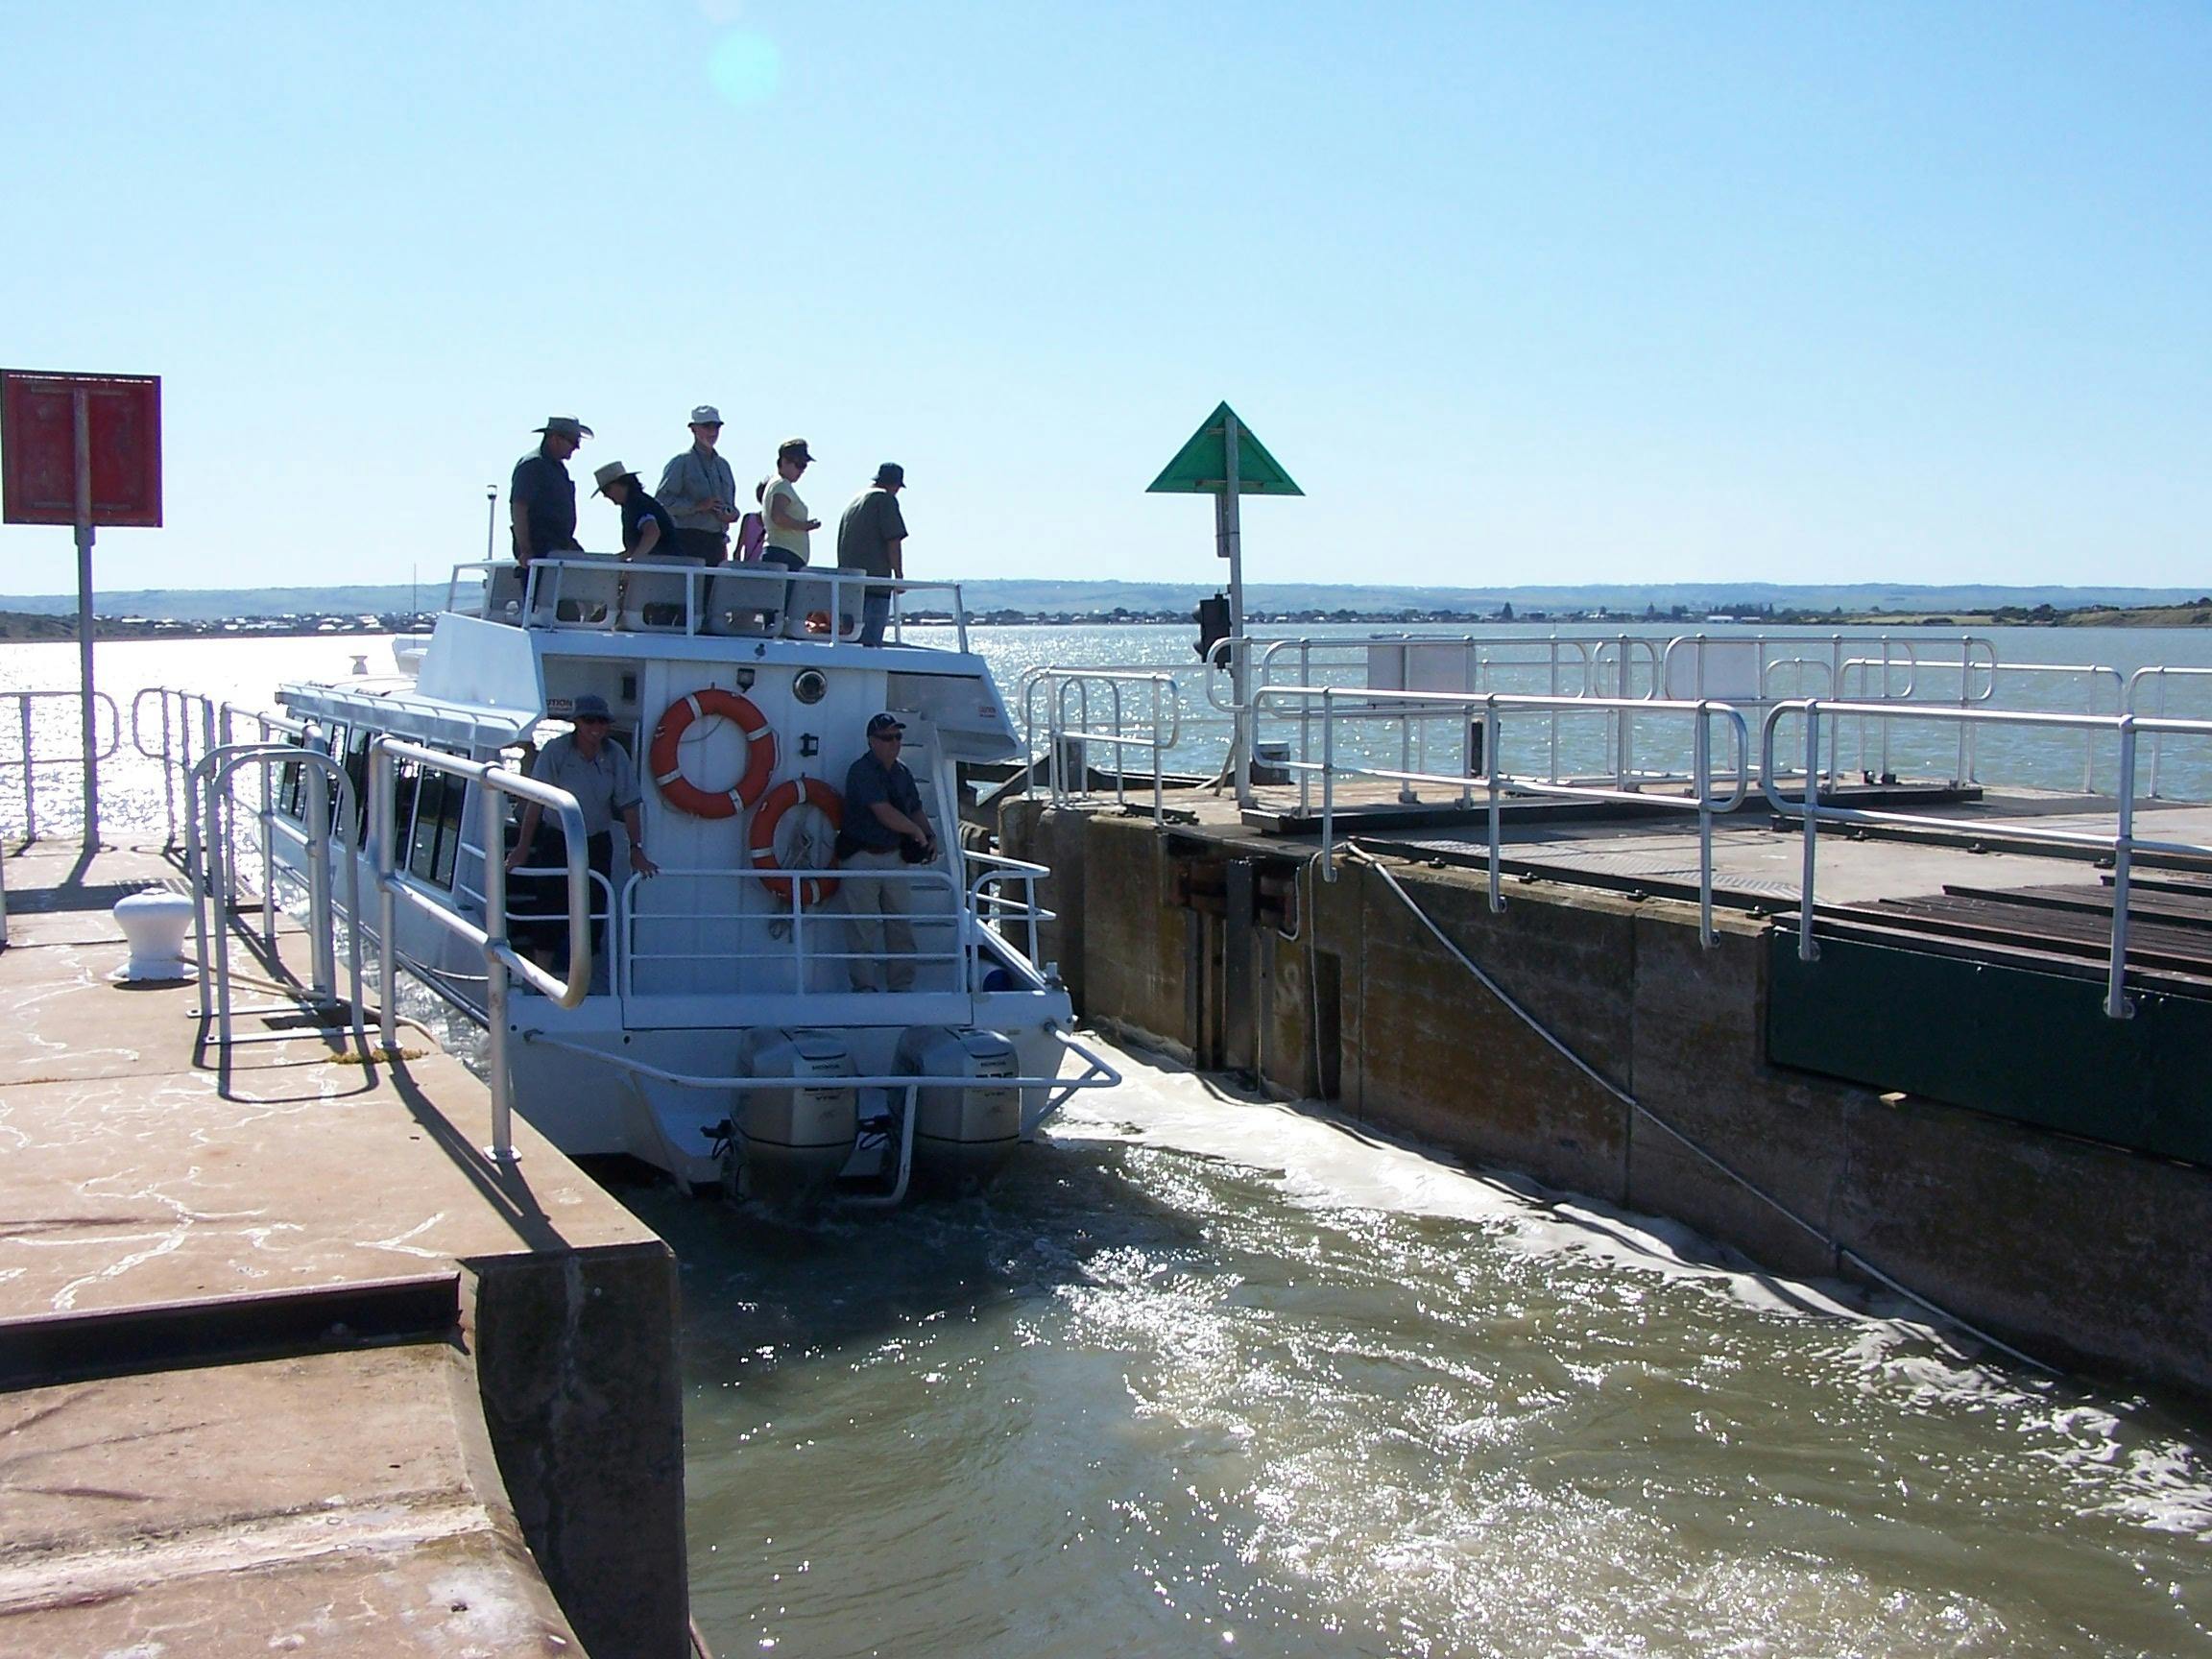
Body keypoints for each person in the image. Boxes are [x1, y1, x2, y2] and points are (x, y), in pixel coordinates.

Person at [504, 694, 658, 969]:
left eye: (602, 721)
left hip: (597, 844)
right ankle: (544, 983)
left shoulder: (615, 755)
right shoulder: (555, 752)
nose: (596, 727)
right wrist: (523, 848)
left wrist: (636, 849)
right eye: (589, 720)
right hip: (556, 841)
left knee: (593, 912)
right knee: (550, 911)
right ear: (576, 722)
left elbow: (630, 805)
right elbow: (535, 804)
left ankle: (582, 984)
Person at [838, 711, 934, 993]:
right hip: (861, 857)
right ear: (872, 741)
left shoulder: (902, 772)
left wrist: (929, 834)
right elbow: (882, 811)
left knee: (900, 926)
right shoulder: (861, 771)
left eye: (898, 737)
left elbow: (914, 808)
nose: (895, 743)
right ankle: (864, 988)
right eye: (887, 738)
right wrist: (915, 833)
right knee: (862, 928)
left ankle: (901, 987)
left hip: (894, 857)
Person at [835, 463, 908, 647]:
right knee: (869, 647)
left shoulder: (855, 501)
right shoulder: (885, 500)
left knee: (850, 644)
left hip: (849, 586)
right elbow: (893, 540)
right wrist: (898, 577)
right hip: (874, 587)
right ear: (895, 484)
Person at [656, 405, 737, 565]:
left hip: (717, 543)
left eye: (716, 427)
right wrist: (697, 506)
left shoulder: (724, 466)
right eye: (707, 426)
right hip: (688, 541)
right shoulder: (681, 462)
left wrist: (731, 514)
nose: (713, 432)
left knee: (713, 590)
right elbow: (661, 503)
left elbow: (731, 507)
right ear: (693, 429)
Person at [510, 417, 593, 566]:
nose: (577, 447)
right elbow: (519, 508)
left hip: (559, 547)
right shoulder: (532, 465)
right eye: (573, 442)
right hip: (540, 550)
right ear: (555, 439)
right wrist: (526, 550)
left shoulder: (558, 469)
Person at [591, 461, 686, 563]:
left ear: (622, 483)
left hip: (666, 569)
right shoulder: (634, 504)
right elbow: (636, 547)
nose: (605, 495)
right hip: (667, 567)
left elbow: (652, 532)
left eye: (606, 490)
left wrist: (633, 561)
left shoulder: (637, 503)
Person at [758, 438, 818, 573]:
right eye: (799, 465)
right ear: (784, 461)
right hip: (783, 555)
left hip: (785, 555)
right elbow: (778, 517)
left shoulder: (778, 484)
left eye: (805, 466)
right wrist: (805, 526)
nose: (802, 470)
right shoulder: (781, 485)